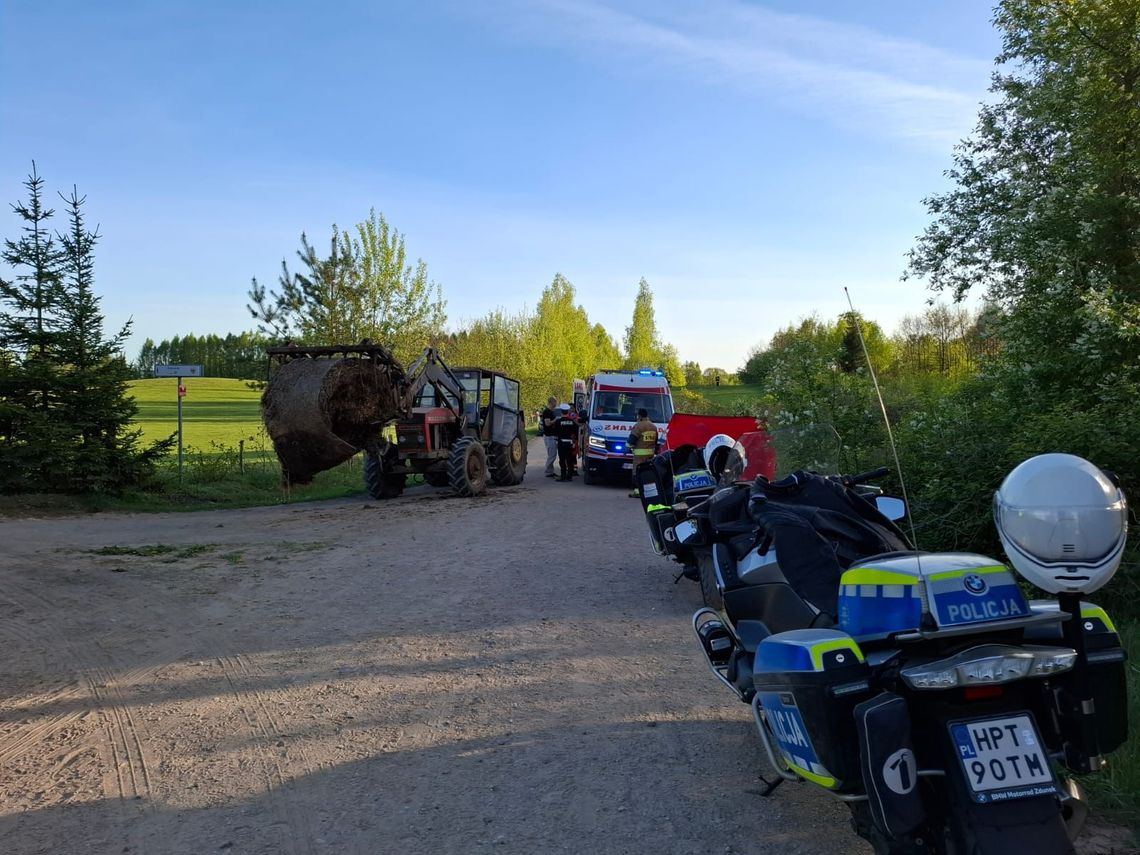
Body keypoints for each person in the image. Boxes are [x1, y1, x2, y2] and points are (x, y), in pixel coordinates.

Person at [628, 408, 659, 497]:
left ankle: (638, 492)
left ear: (640, 416)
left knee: (637, 472)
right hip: (650, 454)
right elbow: (655, 441)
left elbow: (632, 440)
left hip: (639, 455)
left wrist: (627, 448)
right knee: (648, 473)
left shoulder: (638, 426)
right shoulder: (653, 426)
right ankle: (649, 492)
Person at [554, 404, 579, 481]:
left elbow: (556, 433)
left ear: (561, 412)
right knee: (570, 460)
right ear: (568, 412)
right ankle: (570, 476)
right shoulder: (572, 422)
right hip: (570, 443)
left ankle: (563, 476)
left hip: (561, 443)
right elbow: (576, 432)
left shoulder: (558, 421)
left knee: (562, 460)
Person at [541, 397, 559, 477]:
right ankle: (548, 471)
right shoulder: (547, 412)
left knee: (552, 454)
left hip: (552, 436)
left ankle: (550, 471)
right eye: (555, 402)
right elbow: (547, 423)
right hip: (548, 436)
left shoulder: (551, 411)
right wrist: (556, 419)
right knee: (552, 455)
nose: (556, 403)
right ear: (551, 402)